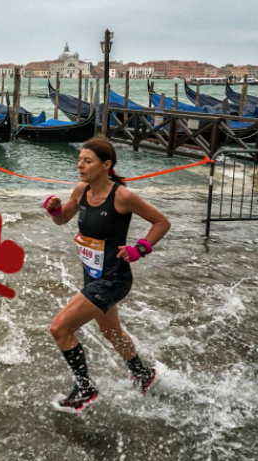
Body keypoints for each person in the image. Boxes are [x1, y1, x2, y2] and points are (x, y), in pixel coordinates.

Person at [42, 136, 170, 412]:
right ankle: (142, 373)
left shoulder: (122, 196)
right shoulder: (81, 190)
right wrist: (53, 210)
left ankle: (85, 389)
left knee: (60, 328)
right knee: (111, 331)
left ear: (106, 165)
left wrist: (140, 248)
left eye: (88, 161)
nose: (80, 165)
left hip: (115, 278)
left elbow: (161, 222)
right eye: (79, 160)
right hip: (93, 275)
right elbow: (62, 218)